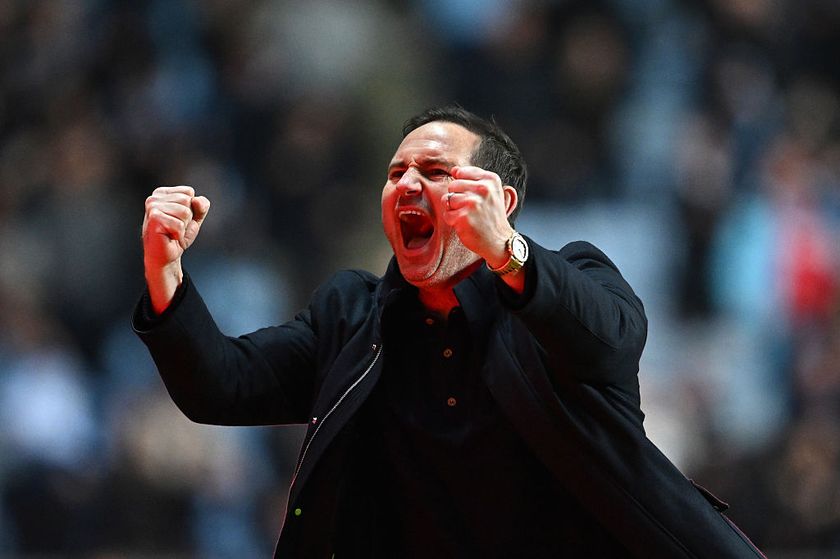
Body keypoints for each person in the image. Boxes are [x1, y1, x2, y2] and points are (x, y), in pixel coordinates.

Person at [134, 106, 765, 558]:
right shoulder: (352, 315)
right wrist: (166, 274)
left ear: (500, 201)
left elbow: (613, 340)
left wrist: (508, 255)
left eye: (434, 171)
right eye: (396, 171)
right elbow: (222, 386)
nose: (407, 183)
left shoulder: (569, 277)